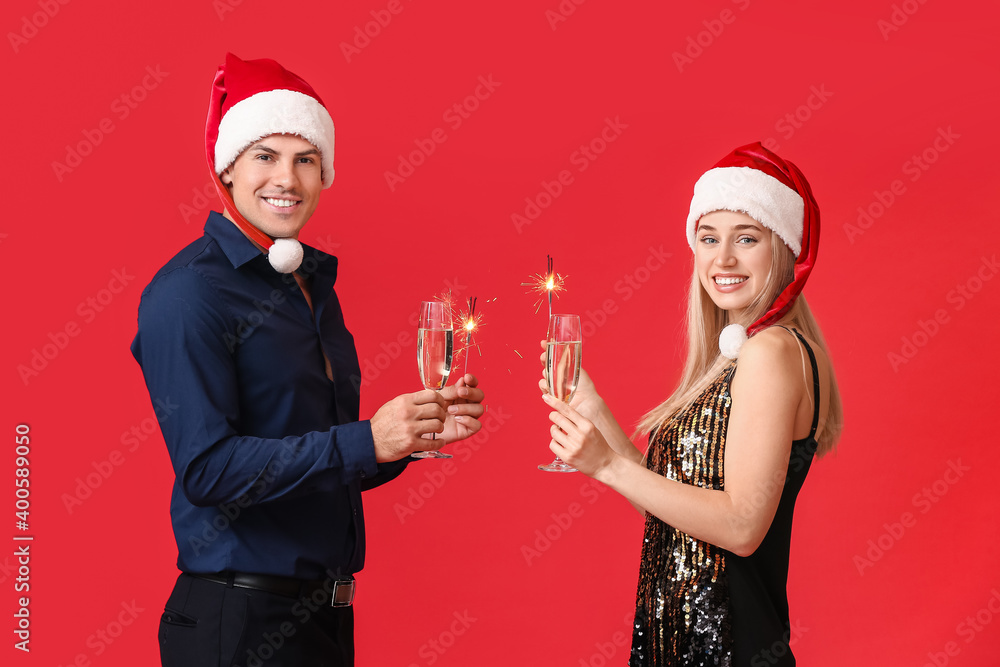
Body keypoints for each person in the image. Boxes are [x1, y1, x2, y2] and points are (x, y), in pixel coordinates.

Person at [130, 53, 486, 667]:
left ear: (325, 173)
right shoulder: (189, 293)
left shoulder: (311, 284)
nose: (287, 180)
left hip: (322, 620)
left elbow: (318, 458)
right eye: (265, 156)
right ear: (227, 168)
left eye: (305, 159)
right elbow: (209, 472)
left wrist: (401, 440)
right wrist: (367, 438)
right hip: (237, 624)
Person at [540, 143, 842, 666]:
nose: (722, 259)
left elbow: (742, 528)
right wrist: (595, 412)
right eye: (708, 238)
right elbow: (677, 510)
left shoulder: (772, 352)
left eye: (746, 239)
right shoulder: (739, 356)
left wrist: (606, 465)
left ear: (784, 249)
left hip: (727, 647)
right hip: (680, 644)